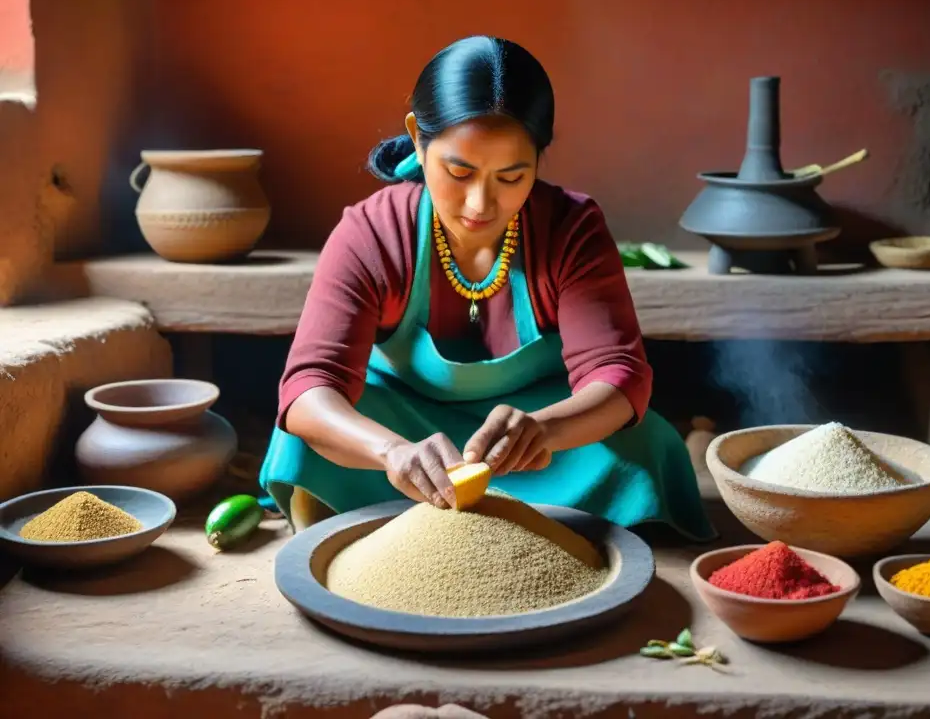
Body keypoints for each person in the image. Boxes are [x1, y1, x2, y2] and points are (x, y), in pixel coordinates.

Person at [258, 35, 716, 541]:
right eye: (459, 171)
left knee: (643, 441)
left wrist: (546, 429)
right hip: (403, 424)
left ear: (540, 158)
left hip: (535, 441)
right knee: (302, 438)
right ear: (417, 138)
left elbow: (620, 375)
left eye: (511, 177)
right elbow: (307, 389)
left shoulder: (570, 227)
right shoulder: (372, 233)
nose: (480, 203)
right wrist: (392, 452)